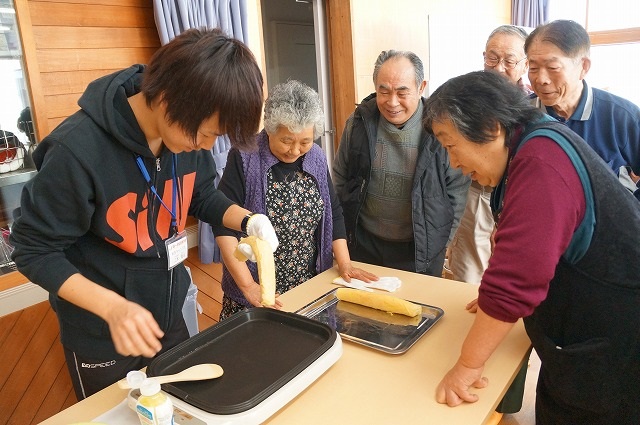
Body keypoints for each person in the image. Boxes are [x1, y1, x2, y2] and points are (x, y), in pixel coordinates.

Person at [9, 28, 278, 399]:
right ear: (168, 98)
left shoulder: (187, 134)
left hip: (166, 317)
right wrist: (113, 308)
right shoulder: (77, 150)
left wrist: (248, 220)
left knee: (182, 411)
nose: (207, 145)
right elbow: (32, 249)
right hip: (102, 332)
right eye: (205, 134)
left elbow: (199, 197)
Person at [424, 70, 640, 425]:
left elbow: (516, 281)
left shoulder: (541, 162)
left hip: (611, 349)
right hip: (577, 338)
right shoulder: (530, 144)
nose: (453, 163)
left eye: (450, 145)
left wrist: (466, 367)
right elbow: (522, 252)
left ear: (492, 128)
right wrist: (495, 298)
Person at [213, 80, 378, 320]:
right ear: (269, 129)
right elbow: (223, 225)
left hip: (308, 287)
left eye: (305, 142)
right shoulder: (244, 156)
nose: (295, 150)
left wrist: (345, 263)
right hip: (257, 293)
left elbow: (332, 212)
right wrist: (248, 285)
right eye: (287, 140)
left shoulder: (317, 158)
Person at [333, 50, 469, 276]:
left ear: (421, 87)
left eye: (402, 92)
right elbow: (339, 177)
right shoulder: (359, 122)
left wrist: (443, 241)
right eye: (383, 91)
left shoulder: (441, 128)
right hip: (363, 242)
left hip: (419, 248)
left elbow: (457, 191)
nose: (392, 102)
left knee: (416, 308)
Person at [449, 24, 531, 286]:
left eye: (509, 60)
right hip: (475, 191)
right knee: (468, 271)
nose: (498, 67)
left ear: (524, 65)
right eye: (492, 58)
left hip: (520, 196)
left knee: (514, 269)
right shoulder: (466, 96)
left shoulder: (534, 105)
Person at [526, 19, 640, 200]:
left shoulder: (622, 117)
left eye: (553, 67)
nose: (541, 79)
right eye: (533, 68)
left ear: (583, 67)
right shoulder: (522, 114)